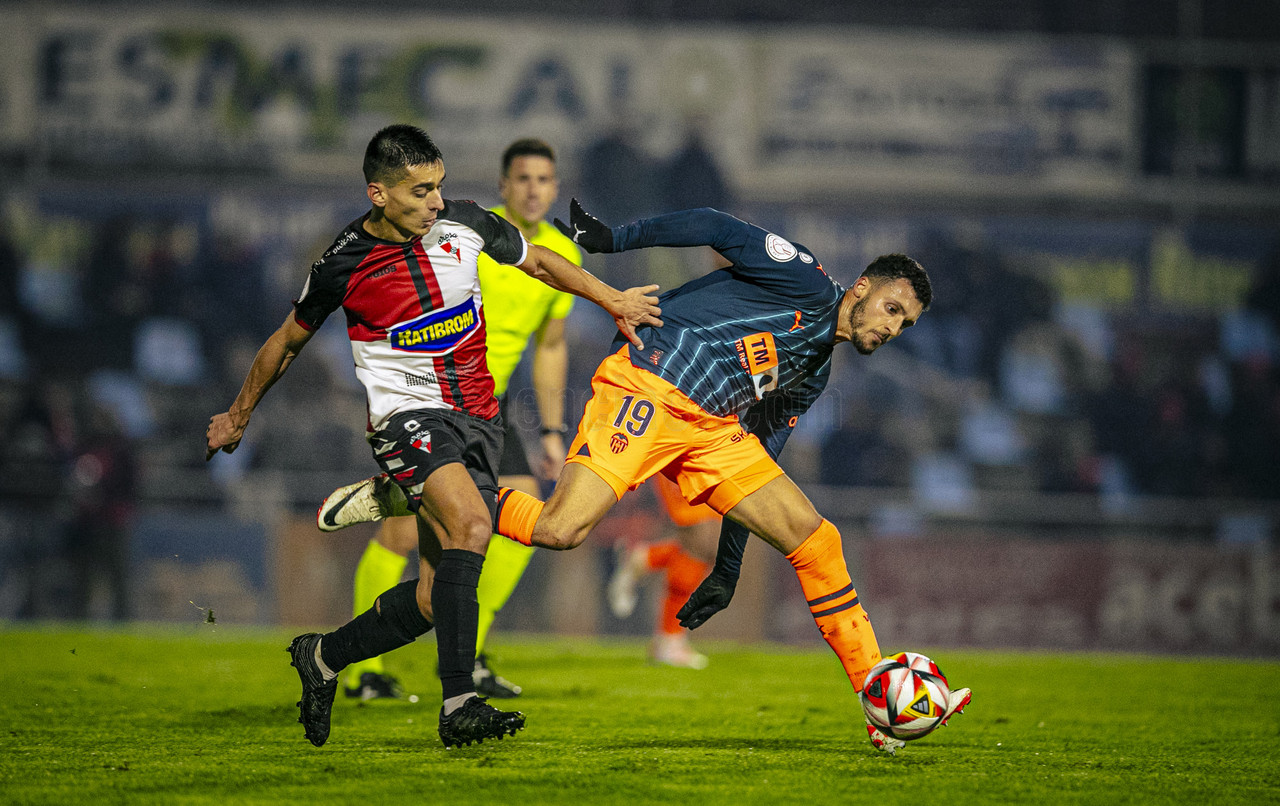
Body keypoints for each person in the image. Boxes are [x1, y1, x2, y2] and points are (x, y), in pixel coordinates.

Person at [327, 199, 970, 753]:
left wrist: (727, 565)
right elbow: (715, 225)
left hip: (713, 429)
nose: (891, 328)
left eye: (904, 324)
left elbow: (761, 457)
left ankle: (875, 699)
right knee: (559, 529)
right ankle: (416, 491)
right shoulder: (802, 278)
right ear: (861, 287)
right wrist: (613, 241)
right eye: (890, 308)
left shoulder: (813, 372)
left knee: (816, 538)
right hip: (651, 383)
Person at [205, 125, 661, 750]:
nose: (437, 203)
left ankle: (323, 657)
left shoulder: (466, 224)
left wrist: (611, 299)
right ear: (380, 194)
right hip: (407, 418)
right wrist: (238, 414)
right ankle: (459, 703)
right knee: (475, 525)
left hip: (479, 418)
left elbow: (543, 263)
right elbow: (287, 341)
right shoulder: (342, 261)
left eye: (439, 187)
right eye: (421, 192)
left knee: (429, 596)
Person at [323, 137, 581, 701]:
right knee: (410, 534)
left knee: (522, 519)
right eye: (523, 179)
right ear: (503, 186)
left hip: (492, 404)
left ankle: (471, 646)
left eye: (544, 179)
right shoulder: (461, 234)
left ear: (555, 188)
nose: (534, 189)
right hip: (429, 399)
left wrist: (553, 430)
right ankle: (369, 670)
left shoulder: (564, 252)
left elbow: (552, 345)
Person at [607, 474, 716, 669]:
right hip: (684, 459)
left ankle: (644, 558)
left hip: (715, 459)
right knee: (699, 541)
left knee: (712, 546)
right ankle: (670, 639)